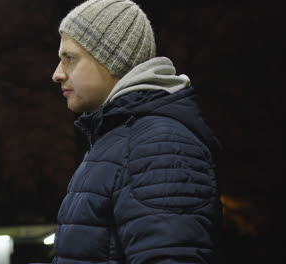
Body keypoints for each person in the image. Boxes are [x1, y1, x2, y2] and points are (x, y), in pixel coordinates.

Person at [51, 0, 222, 263]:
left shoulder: (159, 144)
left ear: (113, 60)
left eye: (69, 58)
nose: (57, 74)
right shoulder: (120, 138)